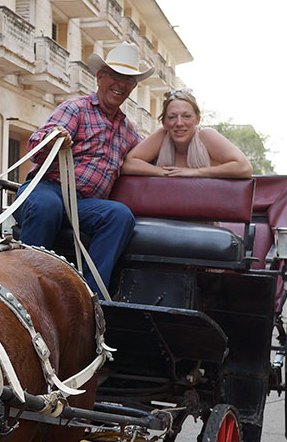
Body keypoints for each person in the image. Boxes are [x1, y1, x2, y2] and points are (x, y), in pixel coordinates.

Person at [14, 42, 153, 296]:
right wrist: (55, 137)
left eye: (129, 80)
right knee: (47, 207)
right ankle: (26, 290)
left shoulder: (128, 129)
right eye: (116, 76)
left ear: (133, 87)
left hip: (84, 206)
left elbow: (151, 154)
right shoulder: (76, 108)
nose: (121, 85)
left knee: (120, 215)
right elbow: (36, 145)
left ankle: (90, 297)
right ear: (101, 76)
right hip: (47, 191)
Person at [121, 88, 253, 179]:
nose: (179, 123)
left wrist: (197, 172)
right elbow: (127, 164)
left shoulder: (206, 135)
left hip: (203, 212)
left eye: (186, 116)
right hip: (164, 211)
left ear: (198, 119)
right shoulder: (162, 135)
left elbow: (244, 167)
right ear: (164, 122)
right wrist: (164, 172)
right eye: (172, 117)